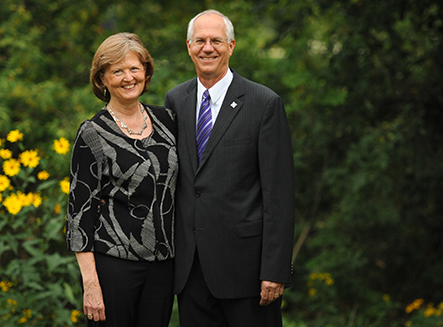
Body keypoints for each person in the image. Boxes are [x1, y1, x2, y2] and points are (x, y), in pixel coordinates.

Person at [164, 9, 295, 327]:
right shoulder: (175, 101)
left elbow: (278, 195)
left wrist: (274, 271)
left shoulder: (264, 103)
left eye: (216, 40)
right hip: (192, 272)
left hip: (247, 273)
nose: (207, 48)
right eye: (200, 41)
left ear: (231, 46)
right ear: (188, 46)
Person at [67, 32, 177, 327]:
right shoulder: (92, 133)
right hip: (113, 267)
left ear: (146, 72)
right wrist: (91, 285)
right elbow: (79, 214)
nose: (128, 78)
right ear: (102, 79)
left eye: (134, 69)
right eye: (117, 71)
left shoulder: (168, 122)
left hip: (163, 267)